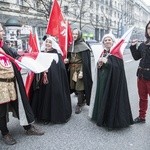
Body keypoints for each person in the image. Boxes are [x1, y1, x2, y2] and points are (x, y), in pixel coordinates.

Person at [0, 23, 44, 145]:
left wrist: (25, 60)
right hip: (1, 85)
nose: (2, 33)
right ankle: (5, 133)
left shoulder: (4, 46)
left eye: (2, 30)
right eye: (0, 31)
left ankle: (28, 128)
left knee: (21, 106)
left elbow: (15, 55)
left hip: (12, 83)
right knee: (1, 111)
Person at [89, 33, 133, 130]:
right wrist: (99, 65)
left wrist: (107, 62)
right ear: (103, 43)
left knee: (109, 98)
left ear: (113, 42)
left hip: (112, 82)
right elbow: (100, 66)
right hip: (102, 80)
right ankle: (101, 116)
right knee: (101, 97)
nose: (107, 41)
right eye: (105, 40)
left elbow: (118, 68)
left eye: (109, 40)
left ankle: (109, 119)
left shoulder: (117, 53)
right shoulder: (103, 52)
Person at [30, 36, 72, 124]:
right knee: (42, 97)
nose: (48, 44)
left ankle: (49, 117)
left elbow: (60, 69)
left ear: (53, 44)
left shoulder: (57, 54)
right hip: (42, 80)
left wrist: (49, 70)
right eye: (47, 42)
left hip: (53, 81)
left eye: (50, 42)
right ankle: (42, 116)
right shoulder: (42, 53)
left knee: (51, 98)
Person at [66, 28, 93, 114]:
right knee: (73, 87)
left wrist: (82, 71)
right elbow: (71, 57)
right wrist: (68, 60)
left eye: (76, 34)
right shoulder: (71, 45)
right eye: (73, 34)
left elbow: (85, 62)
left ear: (79, 35)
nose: (74, 35)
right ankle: (82, 99)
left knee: (80, 88)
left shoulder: (84, 46)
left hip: (79, 69)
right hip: (72, 69)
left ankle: (79, 104)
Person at [130, 21, 150, 123]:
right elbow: (136, 57)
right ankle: (142, 117)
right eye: (149, 28)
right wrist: (133, 46)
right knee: (142, 98)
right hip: (141, 76)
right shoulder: (143, 44)